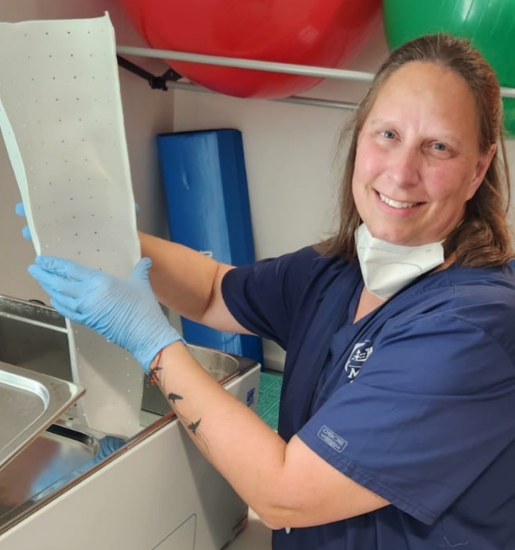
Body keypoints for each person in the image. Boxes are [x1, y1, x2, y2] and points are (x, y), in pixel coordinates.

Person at [26, 33, 515, 549]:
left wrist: (151, 341)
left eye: (438, 147)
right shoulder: (339, 269)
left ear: (477, 170)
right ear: (359, 137)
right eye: (388, 134)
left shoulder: (472, 329)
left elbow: (286, 494)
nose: (401, 171)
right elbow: (214, 291)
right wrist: (116, 239)